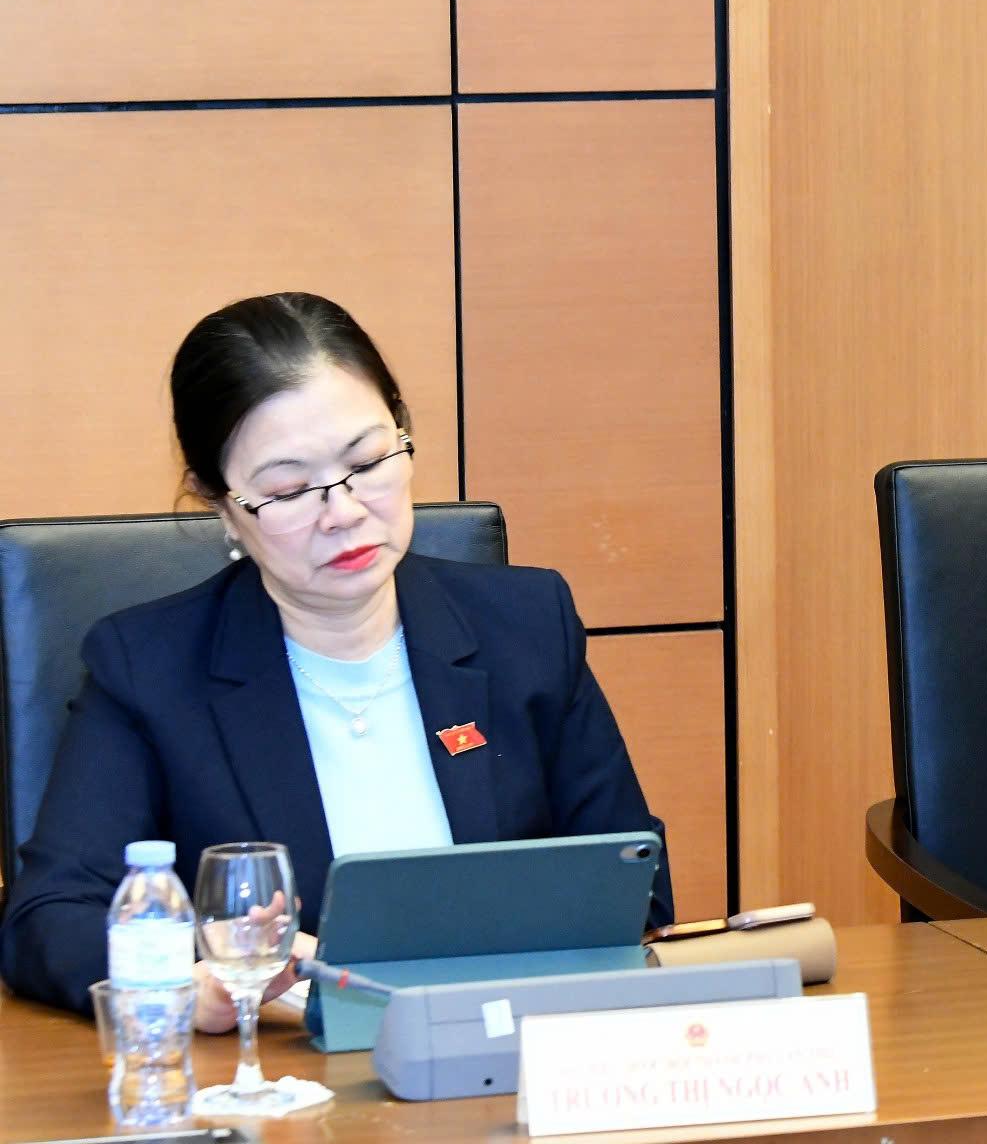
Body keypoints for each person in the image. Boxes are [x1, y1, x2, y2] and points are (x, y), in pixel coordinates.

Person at [0, 293, 671, 1015]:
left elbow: (634, 879)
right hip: (289, 1069)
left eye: (369, 460)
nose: (344, 512)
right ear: (219, 503)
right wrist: (198, 978)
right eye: (289, 490)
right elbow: (48, 919)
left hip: (510, 1044)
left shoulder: (527, 626)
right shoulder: (148, 669)